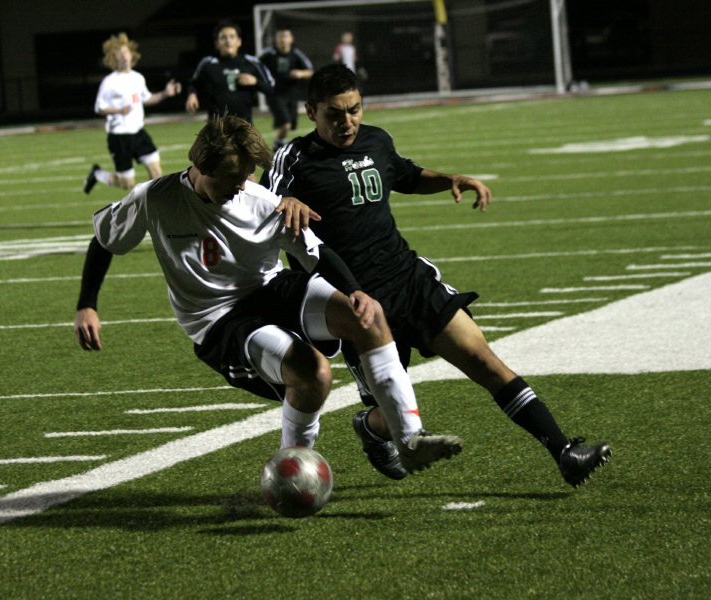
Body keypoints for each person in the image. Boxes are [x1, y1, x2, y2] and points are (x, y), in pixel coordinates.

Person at [263, 64, 612, 486]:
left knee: (483, 360)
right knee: (395, 419)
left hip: (408, 279)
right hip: (354, 304)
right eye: (334, 114)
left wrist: (452, 178)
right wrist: (285, 202)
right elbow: (263, 206)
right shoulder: (293, 158)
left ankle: (564, 451)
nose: (347, 122)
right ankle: (371, 429)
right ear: (311, 111)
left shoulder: (376, 140)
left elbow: (406, 176)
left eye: (353, 110)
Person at [73, 113, 461, 472]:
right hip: (219, 320)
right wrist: (87, 305)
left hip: (272, 289)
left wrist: (355, 291)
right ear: (202, 168)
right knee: (313, 374)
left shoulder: (260, 201)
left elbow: (317, 253)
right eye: (233, 177)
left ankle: (408, 438)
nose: (243, 184)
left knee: (369, 315)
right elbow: (104, 240)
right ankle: (293, 467)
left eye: (247, 175)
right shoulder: (155, 198)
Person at [84, 33, 181, 194]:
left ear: (132, 54)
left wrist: (165, 93)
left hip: (139, 133)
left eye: (126, 52)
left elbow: (147, 98)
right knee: (126, 183)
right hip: (119, 137)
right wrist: (119, 111)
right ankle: (97, 174)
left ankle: (154, 211)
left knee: (156, 174)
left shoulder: (138, 78)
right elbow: (99, 108)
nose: (123, 56)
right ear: (113, 59)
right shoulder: (109, 82)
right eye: (119, 54)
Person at [185, 21, 275, 123]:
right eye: (223, 38)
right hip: (217, 127)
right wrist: (192, 95)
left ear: (239, 41)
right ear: (216, 44)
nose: (228, 41)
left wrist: (255, 82)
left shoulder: (251, 63)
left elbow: (272, 88)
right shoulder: (208, 64)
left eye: (232, 37)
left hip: (244, 126)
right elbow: (193, 83)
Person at [258, 28, 314, 151]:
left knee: (291, 124)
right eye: (280, 36)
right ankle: (277, 147)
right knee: (286, 124)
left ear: (291, 39)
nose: (283, 39)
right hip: (274, 94)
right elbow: (255, 66)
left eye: (285, 36)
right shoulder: (268, 54)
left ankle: (279, 144)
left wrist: (300, 73)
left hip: (291, 94)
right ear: (276, 39)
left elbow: (310, 71)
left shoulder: (296, 54)